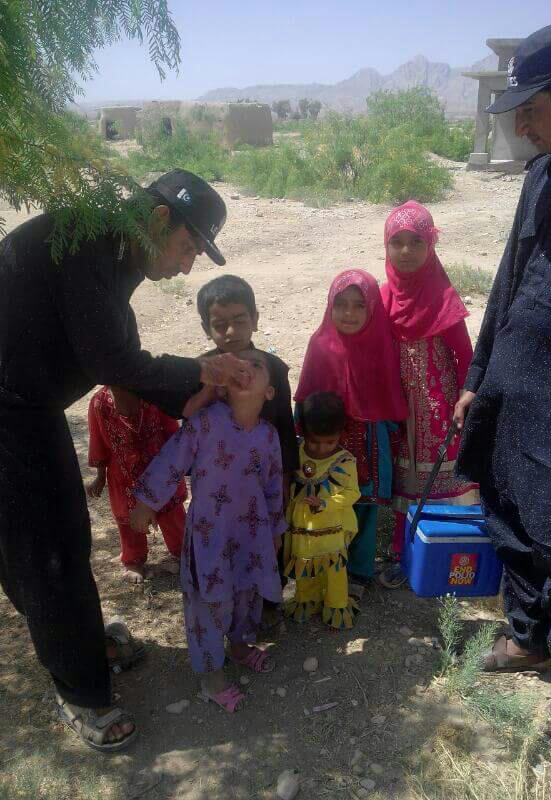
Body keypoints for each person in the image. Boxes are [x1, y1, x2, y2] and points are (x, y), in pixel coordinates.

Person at [0, 168, 253, 751]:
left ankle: (75, 642)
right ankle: (82, 693)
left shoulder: (111, 249)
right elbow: (115, 361)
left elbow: (118, 347)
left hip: (23, 402)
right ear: (159, 218)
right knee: (50, 550)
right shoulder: (91, 247)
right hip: (9, 407)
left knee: (39, 540)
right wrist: (201, 372)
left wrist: (188, 393)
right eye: (189, 247)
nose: (188, 266)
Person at [453, 21, 551, 746]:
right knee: (502, 503)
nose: (519, 124)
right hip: (515, 380)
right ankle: (529, 633)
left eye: (531, 108)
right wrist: (480, 375)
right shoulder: (541, 174)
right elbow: (511, 279)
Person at [130, 350, 286, 713]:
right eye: (239, 366)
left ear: (270, 392)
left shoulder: (269, 436)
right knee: (209, 603)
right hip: (209, 536)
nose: (245, 370)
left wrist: (276, 529)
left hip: (252, 534)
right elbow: (173, 459)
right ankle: (212, 675)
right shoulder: (204, 423)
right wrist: (147, 502)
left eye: (257, 366)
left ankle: (241, 646)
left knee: (247, 593)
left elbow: (274, 486)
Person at [376, 201, 478, 589]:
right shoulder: (382, 297)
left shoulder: (441, 295)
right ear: (385, 246)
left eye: (416, 242)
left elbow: (465, 355)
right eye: (396, 242)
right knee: (407, 478)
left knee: (441, 478)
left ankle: (448, 551)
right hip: (399, 408)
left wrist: (464, 399)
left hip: (439, 408)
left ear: (430, 245)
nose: (405, 251)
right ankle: (404, 551)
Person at [295, 269, 407, 599]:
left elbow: (391, 397)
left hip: (372, 443)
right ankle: (329, 563)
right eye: (340, 304)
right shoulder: (320, 344)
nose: (349, 313)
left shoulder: (382, 343)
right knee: (328, 502)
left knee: (365, 505)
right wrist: (300, 435)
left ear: (373, 308)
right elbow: (305, 395)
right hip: (327, 441)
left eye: (359, 305)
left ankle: (359, 570)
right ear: (329, 306)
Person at [196, 274, 299, 626]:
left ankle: (269, 598)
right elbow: (192, 427)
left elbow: (286, 426)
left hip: (264, 477)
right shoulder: (204, 370)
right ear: (206, 327)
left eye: (239, 320)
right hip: (219, 480)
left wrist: (285, 478)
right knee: (226, 540)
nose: (230, 332)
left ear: (255, 318)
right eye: (219, 324)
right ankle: (226, 604)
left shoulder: (273, 370)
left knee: (269, 536)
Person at [87, 385, 187, 583]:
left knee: (172, 514)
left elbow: (173, 433)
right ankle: (133, 560)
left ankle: (185, 552)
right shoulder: (99, 403)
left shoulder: (154, 394)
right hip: (122, 476)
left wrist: (177, 466)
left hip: (160, 471)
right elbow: (98, 440)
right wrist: (100, 476)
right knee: (127, 519)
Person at [285, 392, 361, 629]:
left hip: (332, 528)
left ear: (340, 435)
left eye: (329, 442)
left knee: (334, 568)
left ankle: (336, 604)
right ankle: (306, 599)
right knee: (304, 563)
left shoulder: (345, 461)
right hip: (302, 528)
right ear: (304, 433)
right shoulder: (296, 452)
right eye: (314, 441)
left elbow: (353, 493)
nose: (320, 448)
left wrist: (326, 504)